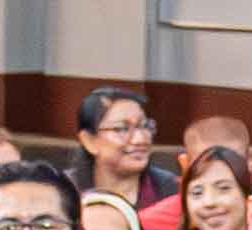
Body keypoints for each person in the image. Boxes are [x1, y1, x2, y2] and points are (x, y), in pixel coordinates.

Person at [71, 79, 178, 222]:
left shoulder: (171, 191)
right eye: (121, 129)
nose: (140, 139)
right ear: (89, 141)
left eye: (145, 126)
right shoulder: (65, 193)